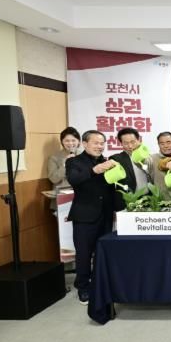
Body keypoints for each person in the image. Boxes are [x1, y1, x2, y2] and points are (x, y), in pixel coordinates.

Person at [65, 130, 117, 305]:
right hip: (85, 215)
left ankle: (98, 283)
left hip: (106, 215)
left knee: (102, 252)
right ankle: (83, 287)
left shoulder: (107, 161)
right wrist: (94, 170)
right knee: (84, 253)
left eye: (102, 143)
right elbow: (74, 179)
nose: (99, 146)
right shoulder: (74, 161)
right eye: (96, 143)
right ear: (85, 144)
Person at [110, 127, 154, 210]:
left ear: (139, 140)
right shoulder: (116, 159)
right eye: (126, 143)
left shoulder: (148, 157)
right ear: (121, 143)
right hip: (128, 201)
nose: (130, 146)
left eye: (133, 142)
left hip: (148, 200)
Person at [47, 126, 82, 209]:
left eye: (73, 140)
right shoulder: (54, 157)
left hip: (82, 197)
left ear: (78, 141)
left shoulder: (84, 155)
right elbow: (53, 179)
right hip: (63, 198)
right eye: (67, 141)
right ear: (62, 142)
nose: (70, 143)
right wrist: (64, 165)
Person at [150, 131, 171, 200]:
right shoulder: (152, 158)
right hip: (161, 202)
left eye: (168, 142)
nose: (165, 146)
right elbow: (141, 163)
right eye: (162, 144)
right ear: (158, 145)